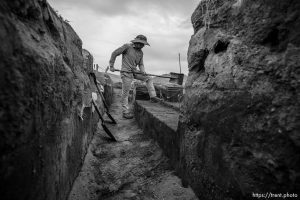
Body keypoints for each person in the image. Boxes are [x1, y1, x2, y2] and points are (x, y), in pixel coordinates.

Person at [109, 34, 159, 119]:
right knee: (126, 93)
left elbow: (141, 64)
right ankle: (125, 112)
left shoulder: (140, 53)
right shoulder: (127, 47)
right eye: (139, 43)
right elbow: (114, 53)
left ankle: (153, 97)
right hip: (126, 73)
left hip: (135, 72)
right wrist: (111, 65)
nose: (141, 45)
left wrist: (142, 70)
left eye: (142, 44)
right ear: (135, 42)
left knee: (148, 78)